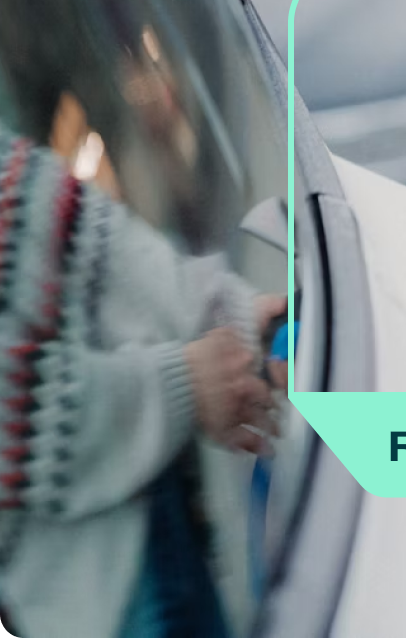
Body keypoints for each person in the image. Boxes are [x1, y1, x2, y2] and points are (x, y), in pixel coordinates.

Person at [0, 123, 281, 638]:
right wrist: (182, 387)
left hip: (153, 514)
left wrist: (226, 316)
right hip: (98, 594)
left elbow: (63, 226)